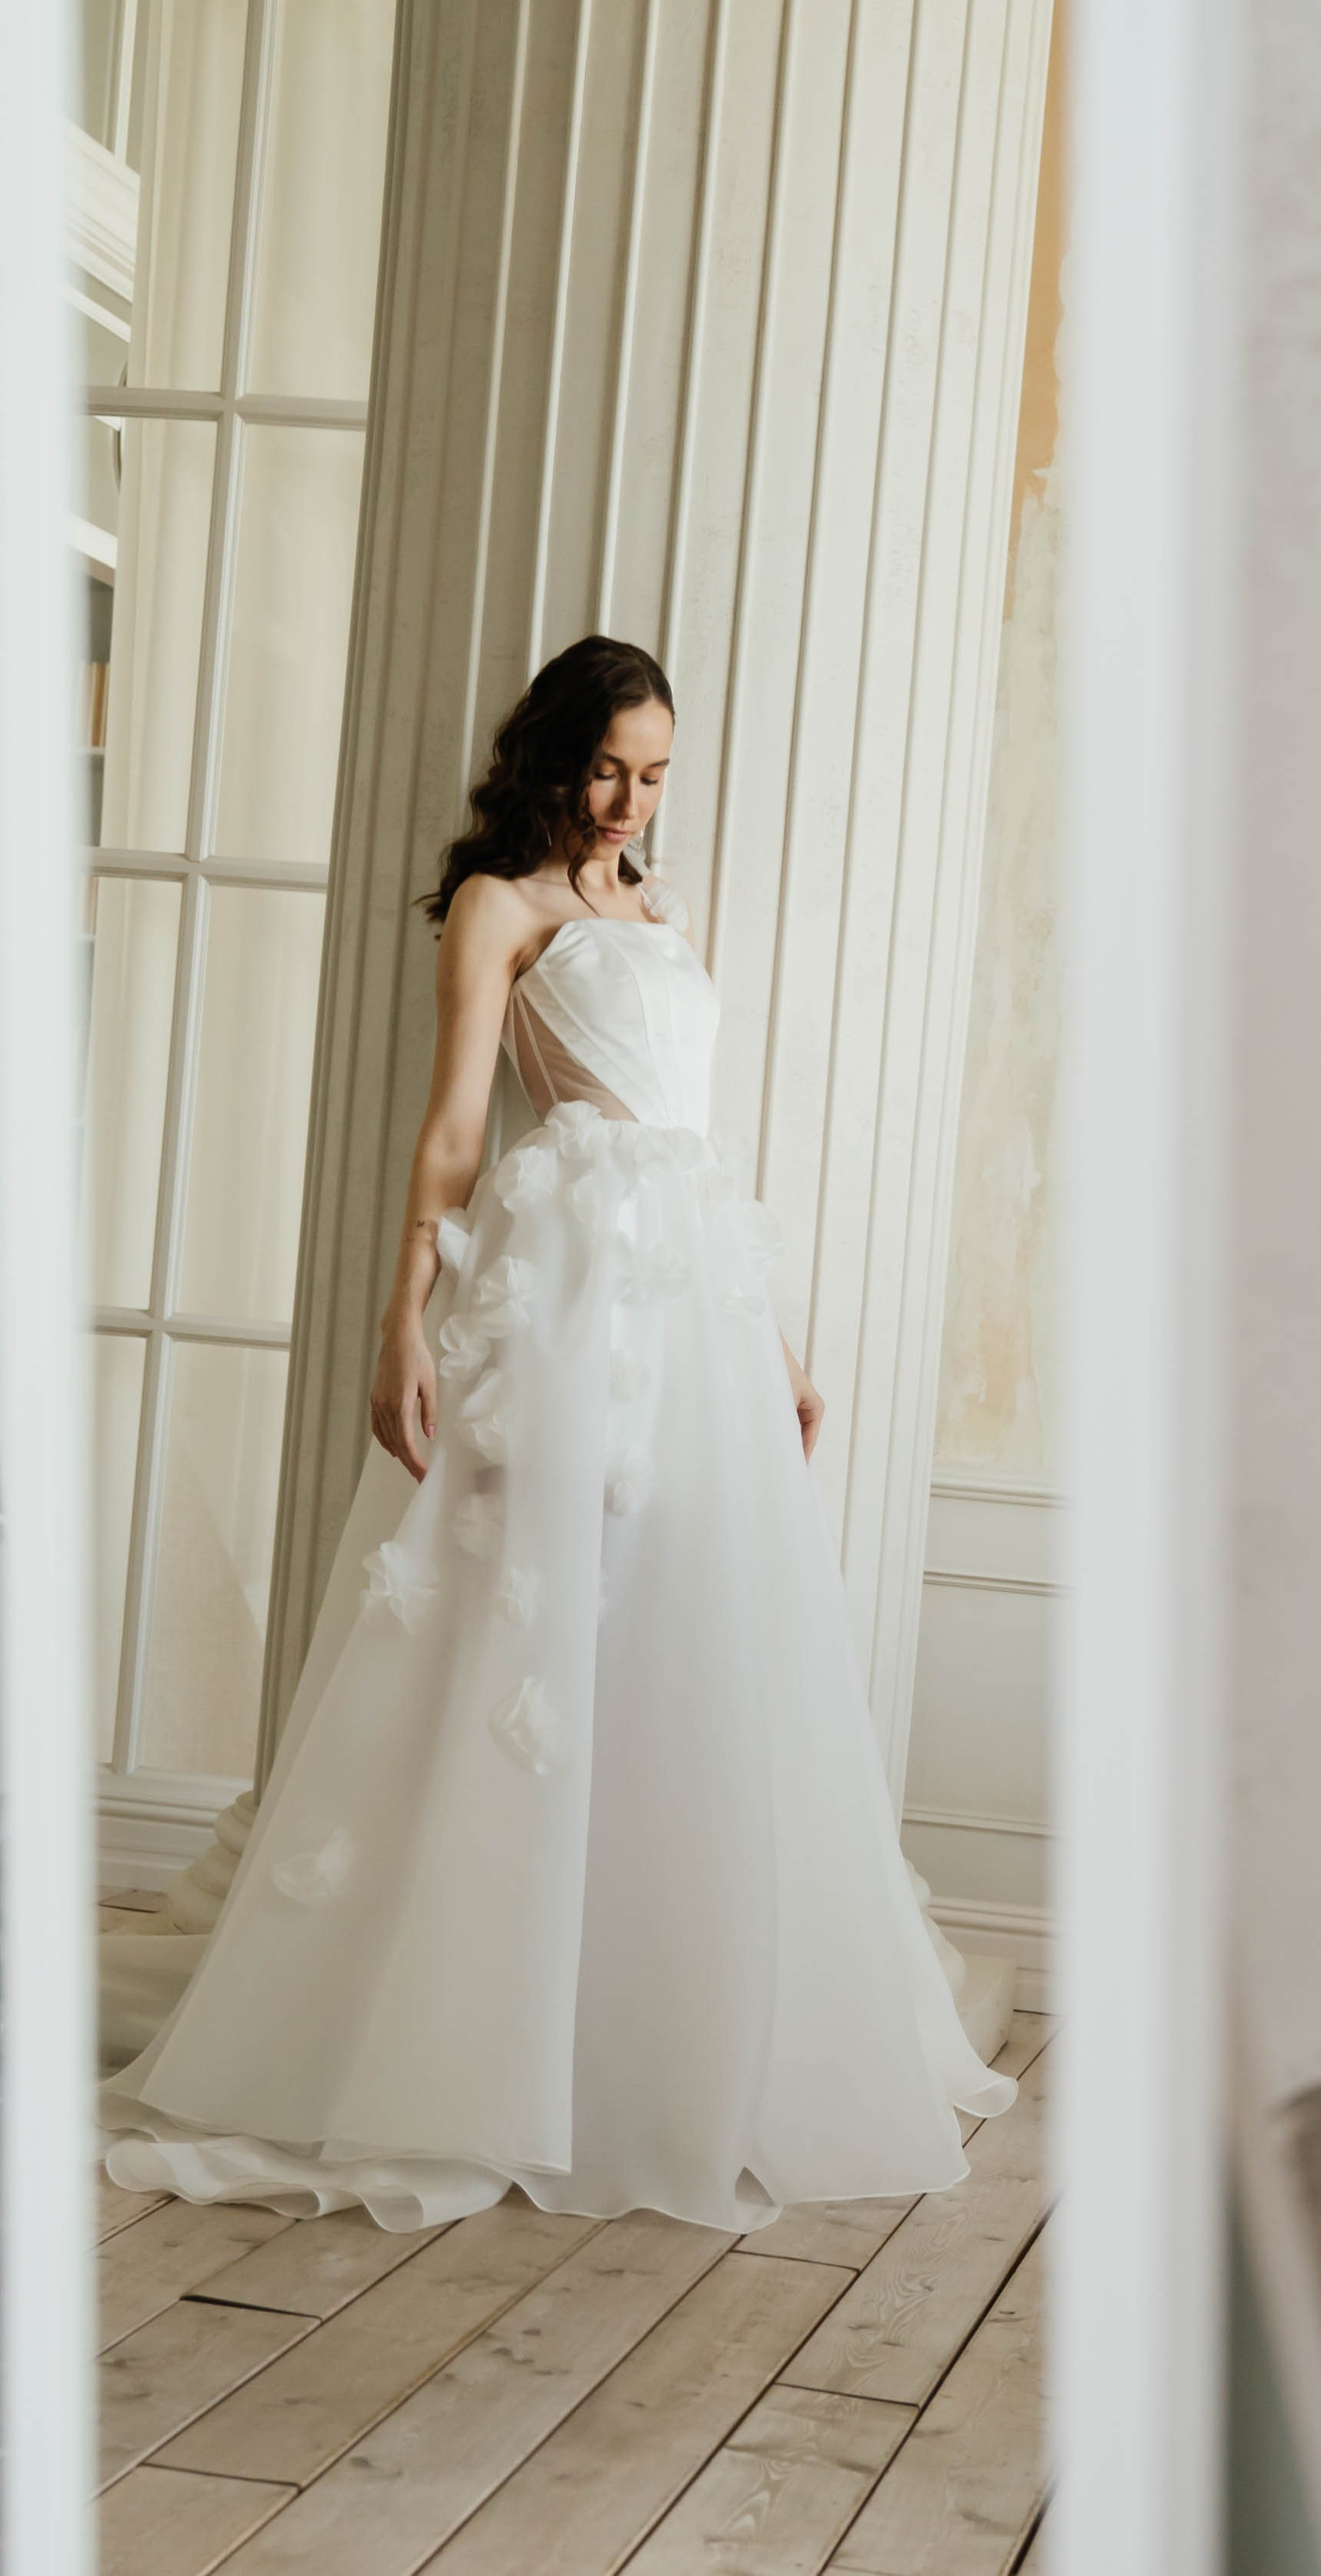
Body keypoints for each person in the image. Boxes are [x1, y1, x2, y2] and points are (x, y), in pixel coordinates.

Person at [100, 634, 1015, 2233]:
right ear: (552, 754)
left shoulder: (659, 913)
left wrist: (779, 1347)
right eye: (606, 768)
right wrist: (403, 1319)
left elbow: (695, 1148)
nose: (629, 801)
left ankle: (648, 2037)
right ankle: (475, 2040)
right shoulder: (498, 907)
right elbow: (457, 1128)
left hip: (696, 1303)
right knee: (529, 1632)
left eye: (653, 775)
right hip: (567, 1289)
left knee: (683, 1632)